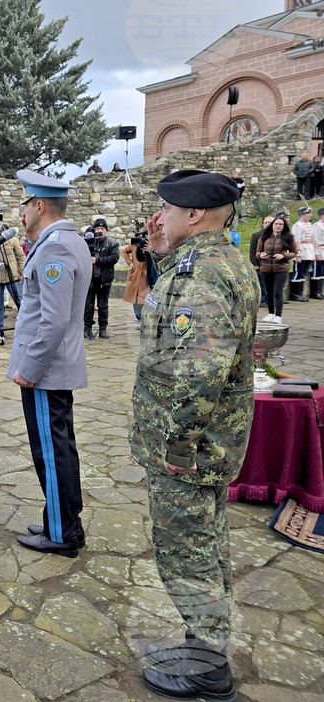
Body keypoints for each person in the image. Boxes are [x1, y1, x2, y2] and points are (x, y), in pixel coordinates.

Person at [131, 170, 258, 702]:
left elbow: (200, 370)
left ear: (195, 214)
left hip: (188, 448)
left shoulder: (202, 275)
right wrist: (161, 253)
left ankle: (207, 668)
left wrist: (178, 444)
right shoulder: (217, 260)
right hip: (211, 442)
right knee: (207, 544)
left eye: (167, 209)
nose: (158, 218)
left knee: (186, 552)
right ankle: (203, 644)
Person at [7, 170, 92, 557]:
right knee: (61, 447)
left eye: (25, 205)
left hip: (46, 371)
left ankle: (60, 534)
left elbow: (53, 320)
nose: (22, 214)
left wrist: (30, 366)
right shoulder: (66, 241)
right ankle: (63, 521)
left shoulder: (55, 247)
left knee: (51, 452)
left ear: (39, 205)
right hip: (55, 368)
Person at [0, 225, 25, 345]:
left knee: (21, 302)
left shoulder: (12, 240)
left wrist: (23, 270)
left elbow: (21, 256)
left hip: (12, 276)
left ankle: (26, 327)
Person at [83, 218, 120, 339]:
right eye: (97, 229)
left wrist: (97, 260)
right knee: (88, 305)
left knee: (103, 305)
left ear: (106, 231)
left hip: (104, 279)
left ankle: (102, 329)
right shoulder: (87, 243)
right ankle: (87, 328)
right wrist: (84, 241)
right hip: (90, 279)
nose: (99, 231)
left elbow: (114, 258)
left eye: (102, 229)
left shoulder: (112, 244)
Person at [257, 215, 297, 323]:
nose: (278, 226)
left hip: (281, 268)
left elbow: (294, 252)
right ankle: (270, 313)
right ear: (272, 225)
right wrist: (261, 255)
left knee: (278, 292)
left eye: (280, 224)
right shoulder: (264, 236)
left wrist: (283, 256)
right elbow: (257, 251)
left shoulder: (288, 237)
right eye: (276, 224)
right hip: (266, 268)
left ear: (284, 226)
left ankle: (278, 315)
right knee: (269, 292)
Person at [121, 237, 151, 324]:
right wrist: (130, 263)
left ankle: (146, 318)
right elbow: (125, 251)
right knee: (136, 298)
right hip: (136, 275)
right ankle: (139, 319)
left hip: (146, 275)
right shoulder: (135, 244)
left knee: (146, 297)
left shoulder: (151, 243)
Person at [249, 216, 275, 307]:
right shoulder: (256, 235)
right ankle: (263, 300)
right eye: (266, 223)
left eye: (270, 223)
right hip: (261, 264)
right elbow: (252, 251)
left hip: (274, 265)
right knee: (263, 284)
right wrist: (254, 264)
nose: (268, 224)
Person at [290, 205, 314, 301]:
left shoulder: (309, 224)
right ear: (302, 214)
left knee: (303, 273)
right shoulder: (297, 225)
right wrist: (297, 255)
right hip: (302, 250)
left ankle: (300, 293)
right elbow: (296, 241)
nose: (310, 215)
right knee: (298, 273)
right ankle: (295, 294)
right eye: (308, 213)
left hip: (308, 250)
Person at [312, 207, 324, 299]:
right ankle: (315, 292)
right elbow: (315, 240)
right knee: (317, 271)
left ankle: (320, 291)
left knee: (322, 272)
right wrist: (316, 253)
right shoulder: (317, 225)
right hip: (319, 249)